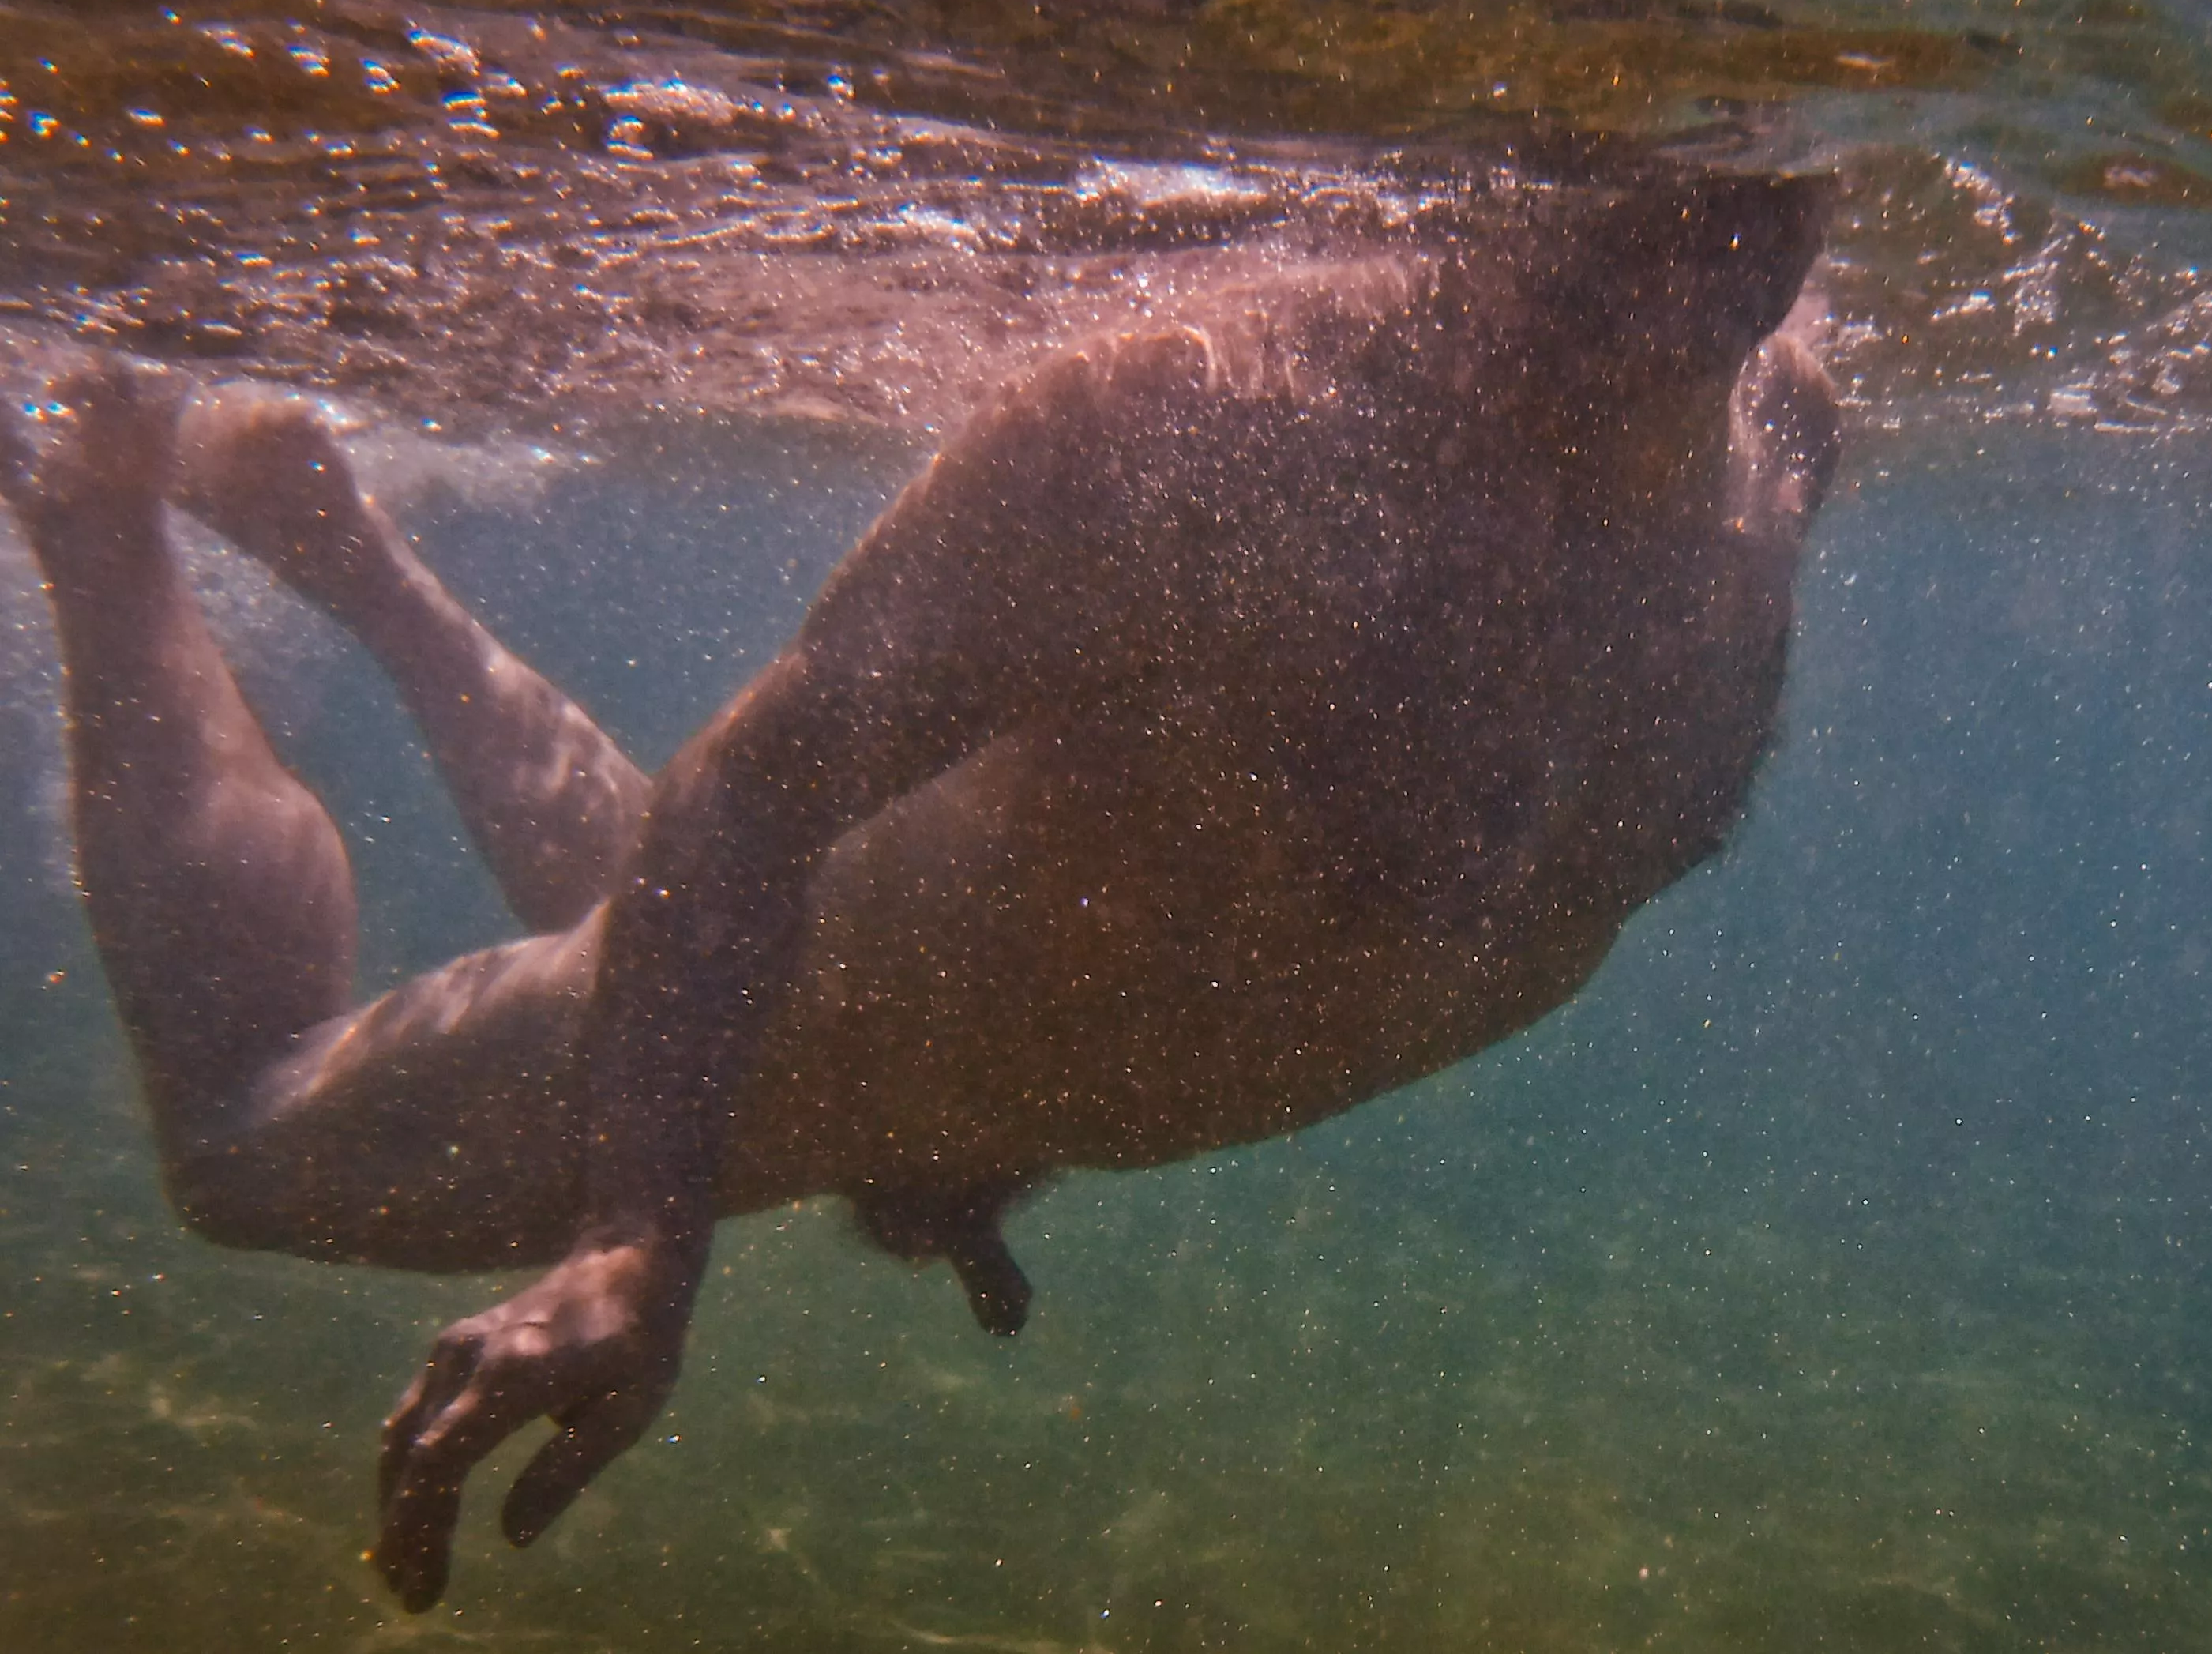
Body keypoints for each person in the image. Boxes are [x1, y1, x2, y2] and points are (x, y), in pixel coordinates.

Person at [1, 172, 1838, 1610]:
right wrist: (643, 1227)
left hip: (949, 1067)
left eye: (1763, 97)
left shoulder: (1790, 433)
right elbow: (738, 814)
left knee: (635, 915)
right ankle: (94, 499)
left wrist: (998, 1124)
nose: (1699, 178)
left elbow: (1256, 911)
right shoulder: (1214, 430)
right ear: (1479, 157)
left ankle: (362, 565)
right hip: (855, 1044)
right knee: (242, 1148)